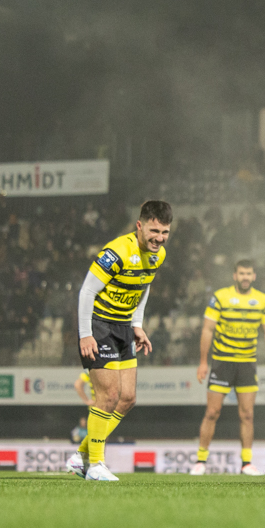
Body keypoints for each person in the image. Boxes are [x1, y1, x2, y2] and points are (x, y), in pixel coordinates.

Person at [65, 199, 173, 483]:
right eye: (154, 231)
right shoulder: (116, 251)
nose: (159, 238)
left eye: (165, 232)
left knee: (127, 398)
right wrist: (85, 333)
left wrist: (137, 324)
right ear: (139, 226)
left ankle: (81, 456)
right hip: (99, 326)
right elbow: (87, 291)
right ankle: (96, 464)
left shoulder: (157, 255)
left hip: (124, 327)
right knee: (108, 396)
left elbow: (143, 286)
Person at [192, 260, 265, 476]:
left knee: (247, 415)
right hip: (222, 362)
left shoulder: (262, 300)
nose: (245, 277)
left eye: (248, 273)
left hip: (247, 363)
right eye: (241, 273)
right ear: (234, 275)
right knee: (212, 412)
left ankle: (246, 463)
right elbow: (207, 330)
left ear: (254, 276)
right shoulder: (220, 297)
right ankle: (201, 461)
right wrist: (203, 362)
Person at [71, 370, 92, 445]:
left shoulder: (91, 369)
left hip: (96, 410)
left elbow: (77, 384)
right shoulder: (110, 366)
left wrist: (87, 401)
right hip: (102, 409)